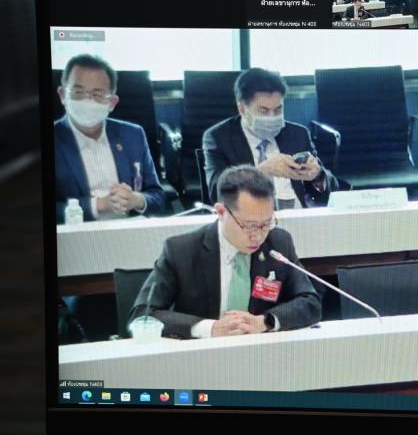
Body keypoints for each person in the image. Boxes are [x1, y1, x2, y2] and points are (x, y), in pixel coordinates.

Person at [129, 165, 322, 339]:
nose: (258, 236)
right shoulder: (181, 251)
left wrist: (265, 321)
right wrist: (210, 328)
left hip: (261, 352)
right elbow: (142, 315)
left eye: (266, 224)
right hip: (201, 355)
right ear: (221, 212)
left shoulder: (278, 243)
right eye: (248, 226)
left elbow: (310, 302)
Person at [202, 68, 338, 208]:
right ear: (242, 109)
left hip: (298, 214)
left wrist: (317, 176)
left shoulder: (298, 134)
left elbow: (332, 188)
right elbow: (217, 192)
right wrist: (259, 172)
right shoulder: (219, 137)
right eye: (264, 111)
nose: (272, 117)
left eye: (278, 109)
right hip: (249, 217)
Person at [54, 54, 165, 223]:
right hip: (77, 234)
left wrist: (136, 200)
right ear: (63, 95)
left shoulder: (133, 135)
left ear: (112, 103)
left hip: (129, 229)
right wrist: (99, 205)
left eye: (97, 94)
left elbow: (158, 197)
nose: (87, 100)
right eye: (78, 93)